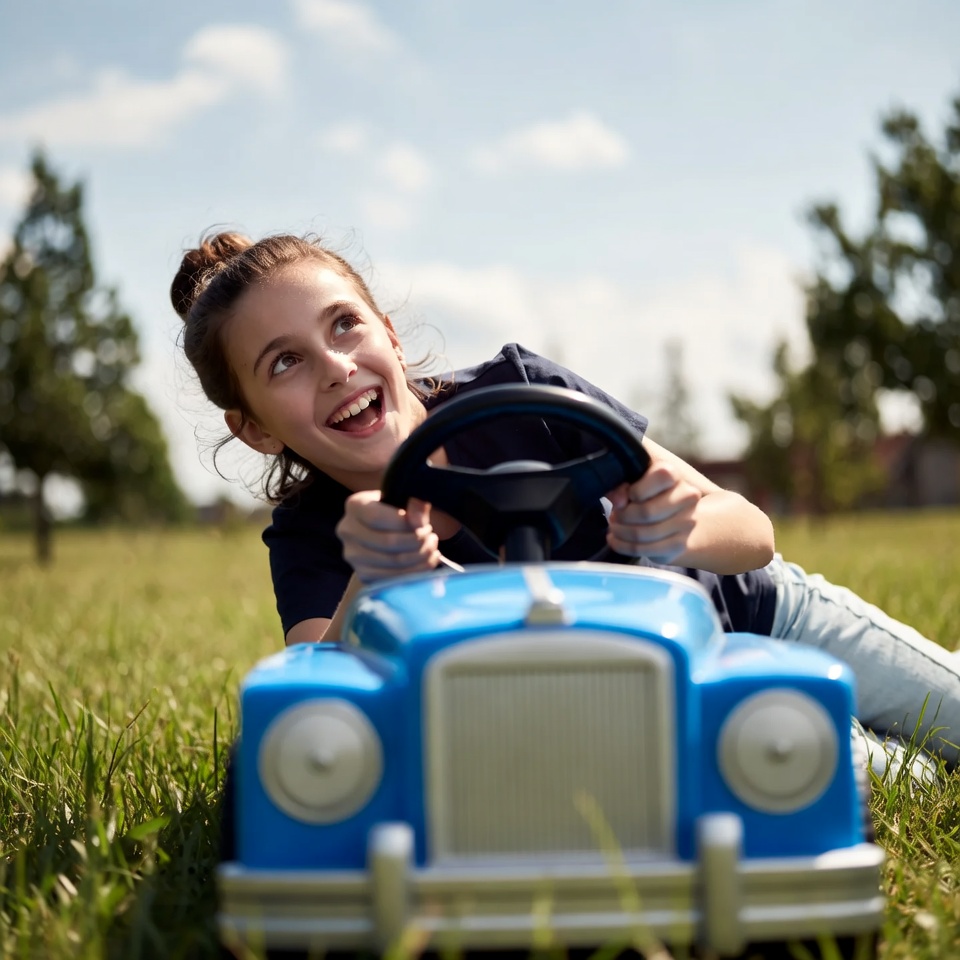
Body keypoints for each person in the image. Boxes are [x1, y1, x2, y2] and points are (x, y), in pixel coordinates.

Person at [172, 230, 960, 777]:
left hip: (762, 615)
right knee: (887, 781)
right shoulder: (316, 536)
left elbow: (751, 532)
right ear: (254, 431)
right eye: (285, 363)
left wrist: (684, 522)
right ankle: (875, 747)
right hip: (682, 696)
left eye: (345, 325)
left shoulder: (522, 394)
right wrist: (372, 579)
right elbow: (315, 698)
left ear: (389, 332)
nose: (337, 366)